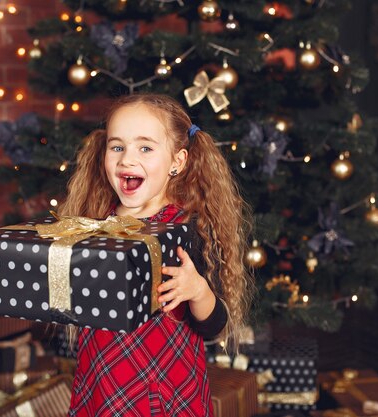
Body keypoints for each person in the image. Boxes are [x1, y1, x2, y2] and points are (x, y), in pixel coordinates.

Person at [57, 93, 254, 416]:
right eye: (117, 147)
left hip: (162, 389)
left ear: (177, 162)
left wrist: (198, 290)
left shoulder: (186, 231)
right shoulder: (94, 223)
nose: (126, 160)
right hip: (102, 383)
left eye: (145, 148)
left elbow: (215, 325)